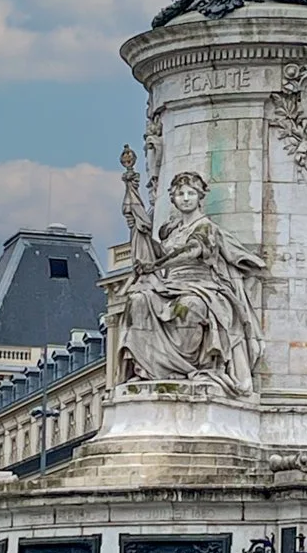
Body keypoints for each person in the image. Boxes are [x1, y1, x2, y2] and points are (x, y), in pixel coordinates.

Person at [113, 169, 264, 398]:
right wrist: (139, 227)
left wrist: (156, 264)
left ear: (200, 197)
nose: (185, 198)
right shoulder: (171, 230)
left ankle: (187, 367)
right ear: (172, 198)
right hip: (168, 285)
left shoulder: (205, 227)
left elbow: (193, 250)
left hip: (200, 285)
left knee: (190, 306)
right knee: (137, 300)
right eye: (180, 193)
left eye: (190, 193)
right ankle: (148, 368)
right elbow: (157, 251)